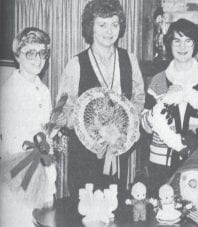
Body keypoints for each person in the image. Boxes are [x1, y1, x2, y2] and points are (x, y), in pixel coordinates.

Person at [56, 0, 145, 198]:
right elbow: (62, 111)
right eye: (102, 24)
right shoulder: (76, 64)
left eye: (115, 24)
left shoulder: (129, 59)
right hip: (84, 157)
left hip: (118, 155)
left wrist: (126, 126)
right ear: (91, 27)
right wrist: (86, 126)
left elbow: (138, 98)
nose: (109, 31)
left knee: (115, 208)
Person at [141, 18, 198, 196]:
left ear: (195, 45)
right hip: (161, 164)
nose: (183, 47)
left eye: (188, 41)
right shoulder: (158, 80)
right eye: (177, 41)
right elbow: (146, 125)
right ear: (169, 44)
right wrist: (165, 99)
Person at [0, 27, 56, 227]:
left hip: (43, 168)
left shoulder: (44, 89)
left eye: (42, 53)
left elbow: (45, 129)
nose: (37, 59)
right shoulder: (9, 91)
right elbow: (11, 140)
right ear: (18, 55)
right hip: (20, 172)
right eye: (30, 53)